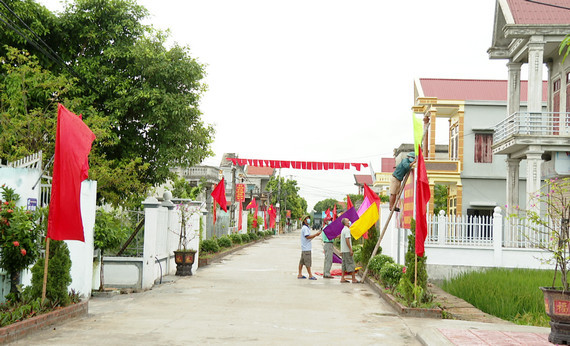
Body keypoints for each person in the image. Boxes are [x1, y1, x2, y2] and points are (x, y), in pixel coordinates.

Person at [298, 215, 322, 280]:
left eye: (308, 218)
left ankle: (299, 274)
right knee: (308, 262)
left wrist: (315, 235)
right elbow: (307, 237)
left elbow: (309, 238)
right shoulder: (305, 228)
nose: (308, 219)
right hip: (306, 248)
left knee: (302, 262)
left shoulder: (306, 227)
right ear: (304, 220)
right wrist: (315, 235)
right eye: (307, 219)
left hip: (305, 247)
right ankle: (310, 275)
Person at [340, 218, 358, 283]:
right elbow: (347, 239)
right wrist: (350, 249)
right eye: (348, 221)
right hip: (347, 250)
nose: (349, 222)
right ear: (345, 223)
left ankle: (342, 278)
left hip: (344, 250)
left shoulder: (343, 230)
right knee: (351, 264)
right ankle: (353, 279)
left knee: (344, 264)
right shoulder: (347, 230)